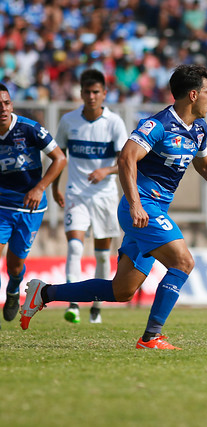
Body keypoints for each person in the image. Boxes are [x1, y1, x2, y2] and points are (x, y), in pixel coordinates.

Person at [21, 64, 207, 349]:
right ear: (193, 95)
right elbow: (126, 159)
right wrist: (135, 204)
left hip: (152, 211)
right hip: (142, 208)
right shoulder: (158, 125)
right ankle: (151, 336)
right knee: (183, 262)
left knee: (121, 291)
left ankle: (44, 293)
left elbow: (205, 166)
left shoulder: (199, 128)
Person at [52, 69, 129, 325]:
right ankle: (73, 303)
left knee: (102, 255)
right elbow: (58, 157)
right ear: (81, 93)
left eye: (96, 92)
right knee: (74, 246)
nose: (91, 96)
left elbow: (125, 162)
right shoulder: (68, 121)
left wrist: (106, 170)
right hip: (76, 194)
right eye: (87, 92)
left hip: (105, 196)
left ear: (104, 94)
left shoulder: (114, 123)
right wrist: (54, 188)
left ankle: (96, 307)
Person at [0, 83, 67, 329]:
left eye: (6, 103)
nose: (3, 109)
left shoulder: (29, 129)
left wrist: (39, 188)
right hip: (2, 206)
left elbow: (60, 158)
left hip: (30, 208)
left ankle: (14, 289)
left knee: (15, 264)